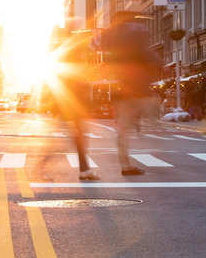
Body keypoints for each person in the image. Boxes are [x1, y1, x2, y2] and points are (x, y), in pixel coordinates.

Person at [105, 12, 163, 176]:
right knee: (153, 118)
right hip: (140, 93)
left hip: (125, 94)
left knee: (123, 131)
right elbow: (156, 60)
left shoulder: (121, 48)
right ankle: (157, 140)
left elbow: (111, 62)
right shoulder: (141, 47)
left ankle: (125, 165)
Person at [53, 28, 100, 180]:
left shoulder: (70, 56)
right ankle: (84, 169)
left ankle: (85, 169)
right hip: (72, 104)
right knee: (77, 137)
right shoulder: (73, 57)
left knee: (78, 137)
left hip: (71, 104)